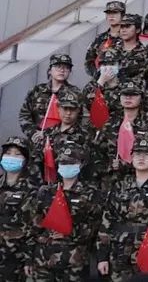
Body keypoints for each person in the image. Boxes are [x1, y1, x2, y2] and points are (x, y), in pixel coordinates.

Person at [97, 135, 148, 278]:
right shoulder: (120, 185)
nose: (141, 158)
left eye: (147, 154)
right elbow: (107, 220)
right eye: (138, 153)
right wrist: (102, 256)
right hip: (119, 252)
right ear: (132, 157)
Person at [27, 143, 102, 282]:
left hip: (74, 260)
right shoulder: (46, 192)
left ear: (80, 164)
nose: (66, 166)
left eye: (71, 163)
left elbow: (95, 225)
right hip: (44, 259)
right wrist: (28, 258)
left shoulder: (90, 193)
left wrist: (70, 232)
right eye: (63, 163)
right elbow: (34, 225)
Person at [19, 52, 78, 137]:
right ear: (50, 70)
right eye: (58, 66)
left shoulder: (75, 93)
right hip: (37, 138)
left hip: (64, 139)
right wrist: (33, 133)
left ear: (70, 71)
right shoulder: (37, 91)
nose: (62, 70)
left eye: (66, 67)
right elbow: (24, 115)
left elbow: (80, 118)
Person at [0, 135, 34, 277]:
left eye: (17, 154)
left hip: (14, 257)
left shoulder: (30, 190)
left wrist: (29, 259)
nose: (11, 157)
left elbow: (32, 228)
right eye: (8, 153)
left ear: (25, 160)